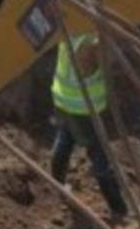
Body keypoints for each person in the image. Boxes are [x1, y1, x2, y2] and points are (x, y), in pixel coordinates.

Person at [49, 33, 127, 219]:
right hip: (83, 108)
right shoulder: (91, 42)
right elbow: (108, 63)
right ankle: (119, 209)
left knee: (64, 140)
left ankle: (58, 183)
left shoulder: (69, 26)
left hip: (63, 99)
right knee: (100, 156)